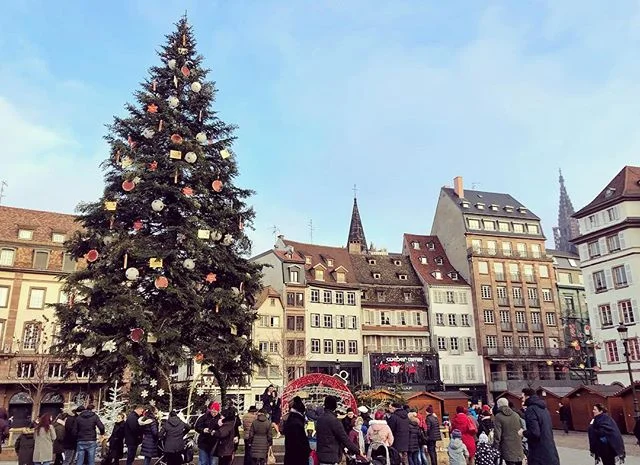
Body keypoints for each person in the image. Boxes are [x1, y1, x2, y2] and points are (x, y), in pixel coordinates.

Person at [316, 396, 361, 465]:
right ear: (335, 406)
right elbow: (344, 438)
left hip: (320, 455)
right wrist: (357, 451)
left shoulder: (319, 419)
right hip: (331, 456)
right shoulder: (334, 421)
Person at [521, 388, 559, 465]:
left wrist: (523, 433)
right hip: (550, 451)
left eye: (523, 397)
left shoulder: (531, 410)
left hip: (538, 453)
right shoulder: (544, 409)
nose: (522, 399)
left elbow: (535, 433)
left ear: (527, 396)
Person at [493, 397, 524, 465]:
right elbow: (522, 429)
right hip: (518, 445)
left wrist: (495, 446)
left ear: (498, 405)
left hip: (506, 446)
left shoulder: (498, 416)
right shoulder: (516, 415)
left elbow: (497, 434)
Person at [283, 397, 310, 465]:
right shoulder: (296, 422)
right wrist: (307, 450)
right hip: (297, 457)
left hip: (291, 456)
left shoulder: (292, 419)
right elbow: (300, 441)